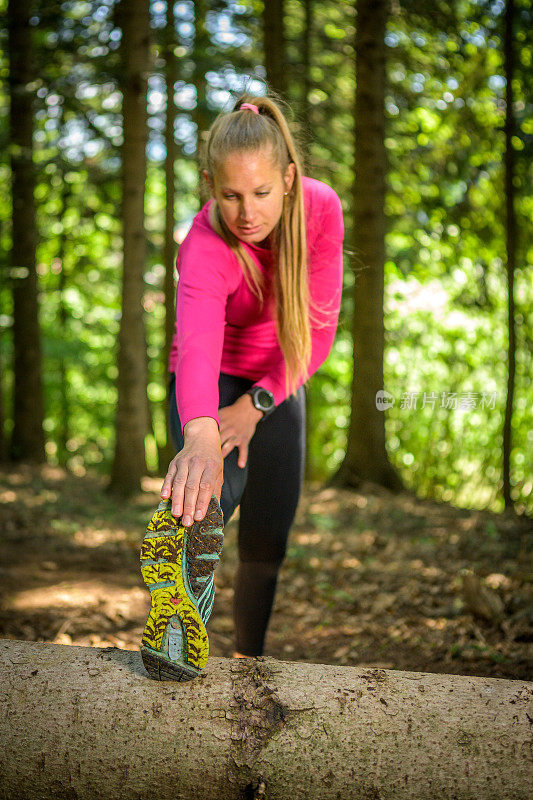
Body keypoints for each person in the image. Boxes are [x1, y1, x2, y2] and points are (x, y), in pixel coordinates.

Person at [159, 90, 344, 663]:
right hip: (208, 378)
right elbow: (196, 346)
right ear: (211, 183)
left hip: (279, 376)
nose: (247, 213)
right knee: (208, 505)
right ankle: (177, 644)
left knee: (268, 537)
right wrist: (201, 432)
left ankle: (249, 663)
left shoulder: (319, 208)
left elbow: (316, 331)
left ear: (288, 179)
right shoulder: (205, 243)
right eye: (231, 194)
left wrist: (256, 404)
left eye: (261, 193)